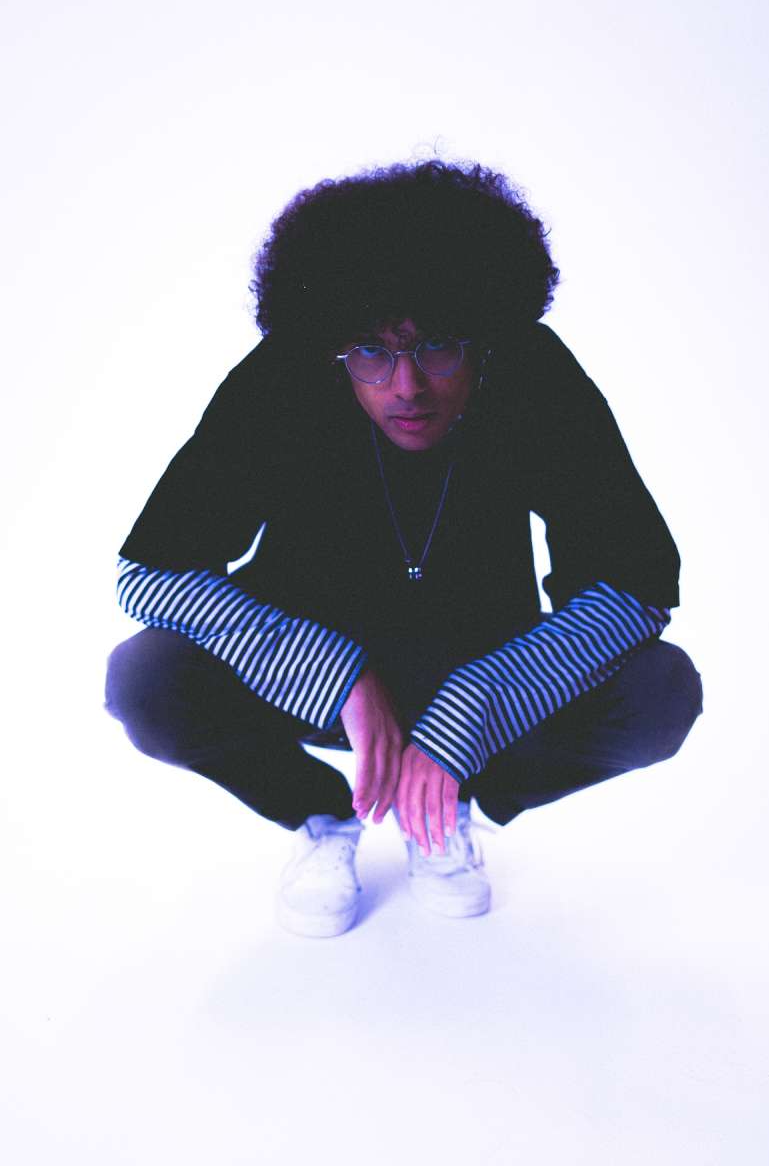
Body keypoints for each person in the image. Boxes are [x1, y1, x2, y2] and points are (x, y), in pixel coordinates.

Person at [104, 158, 704, 938]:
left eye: (438, 347)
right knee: (144, 679)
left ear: (485, 338)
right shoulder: (285, 381)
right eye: (371, 352)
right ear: (333, 348)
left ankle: (447, 807)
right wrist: (332, 675)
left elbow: (638, 583)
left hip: (482, 678)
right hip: (310, 686)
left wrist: (477, 704)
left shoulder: (531, 375)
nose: (407, 386)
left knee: (662, 691)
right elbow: (148, 572)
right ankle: (323, 817)